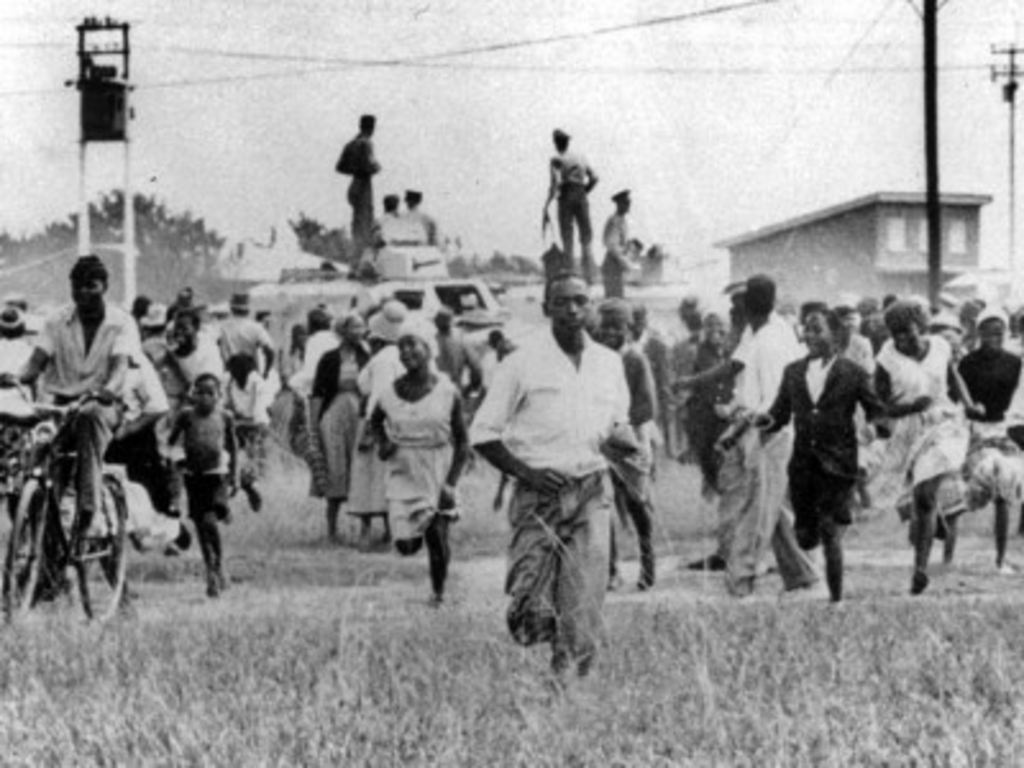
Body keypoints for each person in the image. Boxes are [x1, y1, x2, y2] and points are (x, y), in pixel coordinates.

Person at [471, 272, 630, 680]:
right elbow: (483, 434)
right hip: (539, 496)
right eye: (562, 302)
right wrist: (528, 472)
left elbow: (617, 424)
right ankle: (537, 622)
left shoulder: (609, 364)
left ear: (591, 306)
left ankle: (569, 689)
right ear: (546, 309)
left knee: (583, 601)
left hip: (592, 490)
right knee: (531, 613)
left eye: (581, 300)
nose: (573, 310)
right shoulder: (520, 363)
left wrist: (626, 447)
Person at [675, 275, 820, 599]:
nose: (730, 308)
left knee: (758, 509)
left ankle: (740, 580)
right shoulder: (760, 331)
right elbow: (733, 365)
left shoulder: (770, 343)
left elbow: (771, 405)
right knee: (774, 507)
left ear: (747, 306)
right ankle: (802, 574)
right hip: (761, 428)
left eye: (736, 303)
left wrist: (739, 432)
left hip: (771, 431)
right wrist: (692, 382)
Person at [755, 308, 884, 603]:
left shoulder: (852, 373)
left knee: (829, 529)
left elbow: (878, 411)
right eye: (807, 330)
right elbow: (778, 414)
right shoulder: (793, 372)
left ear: (835, 334)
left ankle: (836, 600)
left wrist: (876, 428)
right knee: (805, 535)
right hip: (803, 465)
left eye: (817, 329)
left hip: (838, 463)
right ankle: (810, 538)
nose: (810, 335)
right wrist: (759, 421)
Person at [6, 255, 139, 538]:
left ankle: (89, 509)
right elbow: (36, 363)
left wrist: (107, 390)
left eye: (90, 286)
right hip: (61, 407)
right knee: (39, 459)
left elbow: (120, 368)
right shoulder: (56, 321)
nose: (83, 293)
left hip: (102, 405)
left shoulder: (121, 323)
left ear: (104, 286)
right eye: (77, 286)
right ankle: (38, 542)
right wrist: (15, 378)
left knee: (90, 418)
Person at [871, 300, 972, 595]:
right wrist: (907, 406)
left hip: (944, 424)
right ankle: (932, 522)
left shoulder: (940, 346)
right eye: (895, 333)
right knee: (918, 502)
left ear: (922, 327)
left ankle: (920, 571)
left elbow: (954, 378)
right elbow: (879, 406)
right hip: (907, 429)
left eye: (908, 332)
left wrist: (969, 405)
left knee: (925, 493)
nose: (902, 339)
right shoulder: (886, 358)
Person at [370, 329, 470, 605]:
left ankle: (438, 593)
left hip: (437, 466)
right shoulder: (390, 393)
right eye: (401, 347)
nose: (406, 352)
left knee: (437, 534)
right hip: (402, 469)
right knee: (405, 545)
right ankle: (412, 539)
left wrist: (450, 483)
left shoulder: (448, 392)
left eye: (412, 345)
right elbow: (374, 422)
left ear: (428, 348)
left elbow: (463, 442)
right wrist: (383, 442)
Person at [596, 299, 657, 592]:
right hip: (600, 442)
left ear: (628, 329)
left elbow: (646, 406)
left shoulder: (634, 360)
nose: (609, 332)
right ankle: (611, 568)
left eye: (616, 327)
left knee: (637, 504)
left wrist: (624, 435)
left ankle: (648, 565)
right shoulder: (592, 359)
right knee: (602, 505)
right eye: (604, 326)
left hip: (632, 439)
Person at [958, 305, 1024, 573]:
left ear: (1006, 333)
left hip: (1006, 432)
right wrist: (971, 408)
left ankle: (1000, 558)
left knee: (1003, 491)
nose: (992, 338)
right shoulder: (967, 363)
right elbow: (958, 399)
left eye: (998, 333)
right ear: (978, 332)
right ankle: (946, 550)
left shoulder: (1016, 363)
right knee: (974, 491)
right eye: (987, 333)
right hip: (974, 432)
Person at [169, 373, 238, 598]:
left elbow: (234, 448)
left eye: (210, 392)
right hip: (193, 476)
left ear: (219, 395)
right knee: (201, 524)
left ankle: (217, 565)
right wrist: (175, 459)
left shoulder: (225, 417)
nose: (205, 397)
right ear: (193, 394)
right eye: (200, 392)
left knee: (209, 520)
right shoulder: (186, 416)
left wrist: (235, 477)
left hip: (217, 475)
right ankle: (212, 570)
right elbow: (171, 441)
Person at [348, 301, 409, 543]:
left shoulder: (383, 359)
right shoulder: (404, 355)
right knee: (391, 476)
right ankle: (389, 529)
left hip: (380, 421)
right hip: (401, 421)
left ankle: (367, 531)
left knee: (368, 477)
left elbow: (377, 393)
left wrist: (371, 429)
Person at [310, 315, 370, 542]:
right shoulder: (329, 358)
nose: (359, 331)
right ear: (343, 331)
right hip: (335, 414)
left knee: (362, 468)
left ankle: (365, 528)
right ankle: (332, 530)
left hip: (360, 414)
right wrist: (314, 424)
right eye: (354, 326)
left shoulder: (367, 357)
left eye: (361, 326)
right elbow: (317, 393)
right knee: (335, 467)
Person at [543, 130, 599, 284]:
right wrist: (584, 191)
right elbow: (595, 178)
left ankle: (571, 276)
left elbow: (555, 183)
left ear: (556, 143)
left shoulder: (556, 158)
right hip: (581, 194)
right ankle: (589, 277)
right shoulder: (581, 157)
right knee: (586, 237)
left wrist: (548, 202)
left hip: (566, 195)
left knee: (568, 237)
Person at [336, 114, 381, 260]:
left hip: (353, 185)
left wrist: (355, 169)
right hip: (363, 184)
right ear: (372, 128)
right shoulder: (366, 143)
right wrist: (373, 168)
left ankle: (357, 256)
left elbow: (340, 167)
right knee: (365, 221)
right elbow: (372, 166)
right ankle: (362, 259)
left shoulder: (351, 144)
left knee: (357, 222)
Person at [218, 293, 275, 378]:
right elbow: (270, 351)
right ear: (248, 310)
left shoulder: (221, 327)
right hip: (250, 375)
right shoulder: (256, 328)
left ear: (231, 309)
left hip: (230, 374)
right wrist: (266, 371)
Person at [434, 307, 482, 396]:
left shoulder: (430, 338)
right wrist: (474, 386)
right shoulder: (460, 337)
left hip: (434, 391)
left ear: (435, 323)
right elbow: (476, 366)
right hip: (454, 389)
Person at [601, 190, 632, 299]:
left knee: (618, 297)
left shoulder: (622, 220)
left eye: (629, 203)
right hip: (612, 263)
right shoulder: (614, 220)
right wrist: (623, 261)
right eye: (626, 203)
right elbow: (611, 244)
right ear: (619, 204)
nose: (629, 206)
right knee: (614, 299)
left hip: (616, 264)